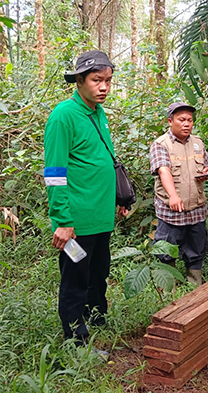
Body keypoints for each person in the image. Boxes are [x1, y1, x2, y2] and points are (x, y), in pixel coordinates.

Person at [44, 50, 128, 347]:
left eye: (108, 80)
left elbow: (103, 159)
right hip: (77, 221)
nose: (104, 86)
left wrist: (119, 198)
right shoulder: (63, 115)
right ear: (79, 80)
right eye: (96, 80)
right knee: (75, 279)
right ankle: (75, 340)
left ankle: (96, 317)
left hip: (101, 217)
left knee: (98, 273)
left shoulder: (98, 113)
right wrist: (63, 221)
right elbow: (54, 173)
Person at [149, 102, 208, 287]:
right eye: (182, 120)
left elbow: (207, 164)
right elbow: (163, 171)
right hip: (172, 211)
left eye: (190, 120)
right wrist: (173, 196)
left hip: (196, 208)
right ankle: (168, 286)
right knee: (166, 249)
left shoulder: (197, 143)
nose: (187, 124)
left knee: (196, 248)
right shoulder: (161, 144)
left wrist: (207, 171)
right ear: (170, 121)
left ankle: (194, 284)